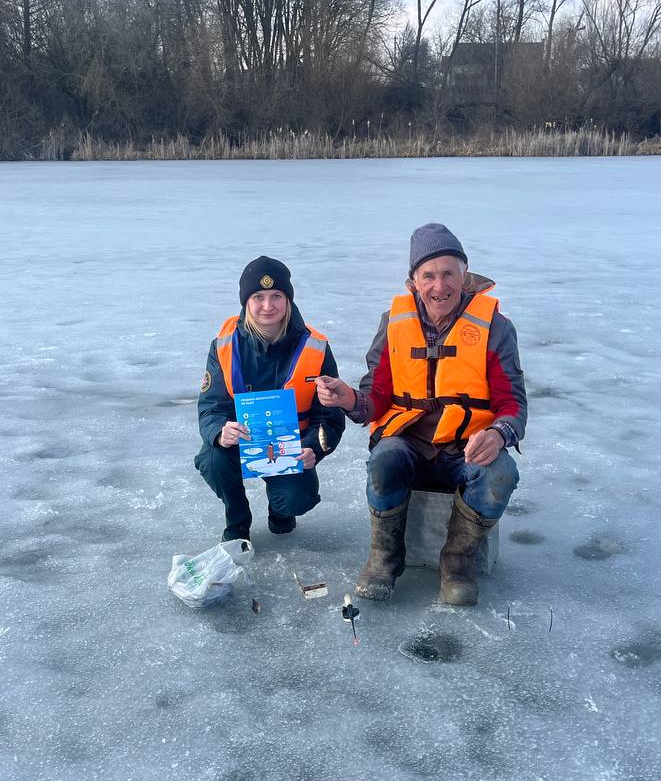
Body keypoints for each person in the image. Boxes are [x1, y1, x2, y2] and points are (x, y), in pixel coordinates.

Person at [316, 224, 526, 606]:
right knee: (385, 458)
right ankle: (385, 558)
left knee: (501, 474)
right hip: (410, 445)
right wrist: (348, 398)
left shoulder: (496, 327)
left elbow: (513, 405)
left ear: (465, 276)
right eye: (428, 275)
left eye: (449, 273)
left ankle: (457, 562)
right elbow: (374, 398)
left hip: (465, 451)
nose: (439, 285)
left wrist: (498, 434)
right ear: (413, 282)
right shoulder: (393, 323)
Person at [196, 256, 345, 542]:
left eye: (277, 295)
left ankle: (281, 510)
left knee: (298, 497)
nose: (268, 306)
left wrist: (314, 447)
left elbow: (330, 417)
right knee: (213, 458)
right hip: (242, 444)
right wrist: (219, 432)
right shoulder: (224, 345)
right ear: (246, 302)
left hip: (290, 448)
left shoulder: (315, 347)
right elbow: (210, 407)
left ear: (288, 299)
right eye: (258, 297)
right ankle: (237, 520)